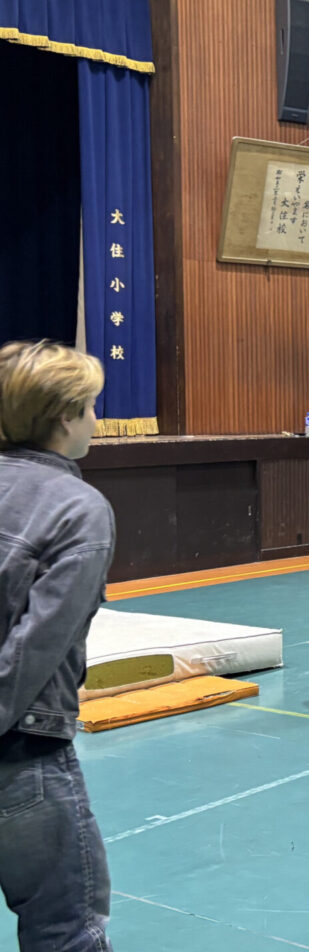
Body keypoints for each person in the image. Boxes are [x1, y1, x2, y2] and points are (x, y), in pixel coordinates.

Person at [0, 340, 116, 951]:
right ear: (65, 416)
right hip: (21, 749)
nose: (97, 419)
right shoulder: (76, 507)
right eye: (91, 407)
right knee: (64, 926)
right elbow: (35, 649)